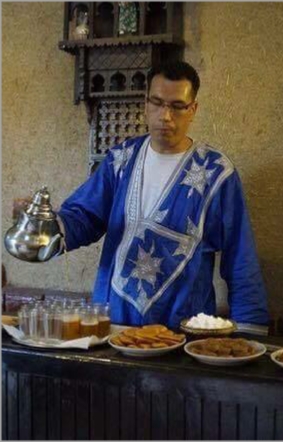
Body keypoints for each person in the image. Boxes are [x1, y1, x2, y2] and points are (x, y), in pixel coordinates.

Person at [58, 61, 269, 329]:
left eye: (177, 106)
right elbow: (83, 217)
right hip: (115, 325)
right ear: (146, 104)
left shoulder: (216, 173)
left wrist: (251, 330)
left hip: (184, 332)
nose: (165, 116)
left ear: (193, 109)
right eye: (156, 102)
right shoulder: (120, 161)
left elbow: (241, 257)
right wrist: (43, 228)